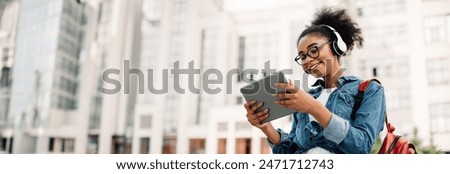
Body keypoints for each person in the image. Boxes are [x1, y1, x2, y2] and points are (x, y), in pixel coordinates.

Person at [244, 7, 386, 154]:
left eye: (313, 50)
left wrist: (314, 107)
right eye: (303, 56)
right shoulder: (305, 97)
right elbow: (291, 152)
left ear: (336, 46)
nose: (308, 60)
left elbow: (361, 146)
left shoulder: (370, 90)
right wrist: (267, 127)